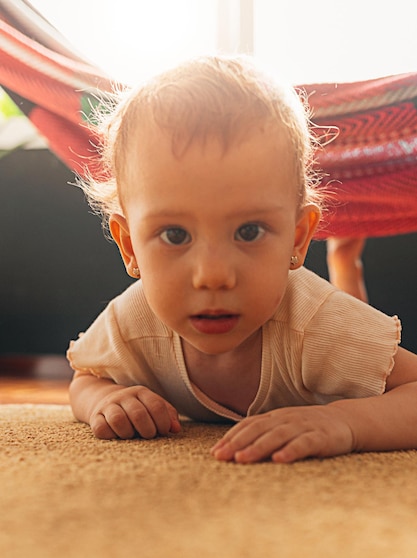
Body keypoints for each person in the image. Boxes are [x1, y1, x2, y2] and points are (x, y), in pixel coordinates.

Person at [67, 55, 417, 464]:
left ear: (298, 237)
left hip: (329, 340)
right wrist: (106, 400)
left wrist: (345, 422)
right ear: (130, 247)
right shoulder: (132, 322)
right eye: (175, 235)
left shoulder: (316, 324)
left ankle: (344, 263)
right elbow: (86, 379)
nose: (213, 276)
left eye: (248, 232)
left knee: (353, 315)